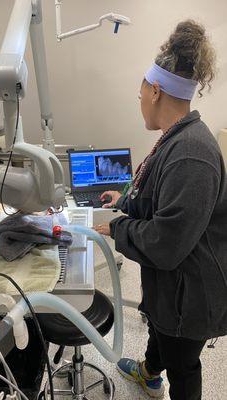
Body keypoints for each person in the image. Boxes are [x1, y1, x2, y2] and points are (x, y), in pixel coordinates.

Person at [94, 20, 227, 400]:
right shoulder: (176, 138)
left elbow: (167, 243)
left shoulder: (191, 154)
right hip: (171, 286)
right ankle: (150, 374)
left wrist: (118, 229)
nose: (139, 104)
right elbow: (162, 199)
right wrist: (125, 202)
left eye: (139, 96)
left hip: (193, 294)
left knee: (183, 363)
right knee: (158, 327)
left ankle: (163, 378)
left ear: (155, 91)